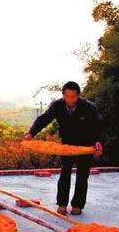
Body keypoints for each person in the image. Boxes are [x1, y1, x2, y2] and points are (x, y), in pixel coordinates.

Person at [24, 81, 103, 215]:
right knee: (65, 172)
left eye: (73, 97)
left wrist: (97, 142)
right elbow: (44, 119)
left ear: (78, 95)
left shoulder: (89, 107)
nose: (70, 99)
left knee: (82, 175)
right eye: (67, 96)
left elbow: (97, 125)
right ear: (63, 95)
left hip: (85, 143)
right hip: (67, 143)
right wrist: (31, 132)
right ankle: (62, 204)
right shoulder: (57, 105)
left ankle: (77, 205)